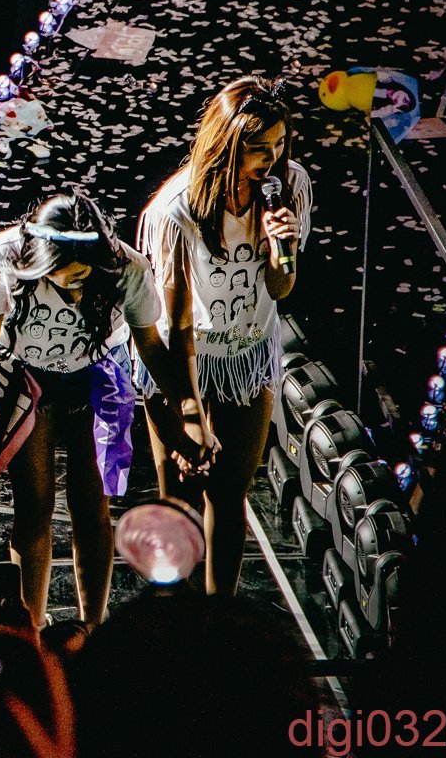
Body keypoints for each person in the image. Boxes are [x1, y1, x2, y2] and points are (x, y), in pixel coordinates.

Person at [0, 191, 205, 629]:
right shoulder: (3, 255)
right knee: (33, 506)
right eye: (64, 277)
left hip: (99, 377)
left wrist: (188, 414)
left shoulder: (128, 267)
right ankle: (32, 629)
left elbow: (151, 346)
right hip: (29, 378)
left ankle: (93, 627)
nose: (75, 290)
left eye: (83, 277)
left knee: (92, 507)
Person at [138, 76, 310, 596]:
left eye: (279, 144)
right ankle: (173, 616)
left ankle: (219, 619)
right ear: (227, 143)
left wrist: (282, 247)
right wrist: (190, 412)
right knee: (181, 495)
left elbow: (280, 288)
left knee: (231, 489)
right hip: (180, 356)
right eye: (258, 148)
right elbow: (177, 324)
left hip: (247, 350)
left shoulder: (291, 186)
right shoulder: (176, 209)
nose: (272, 159)